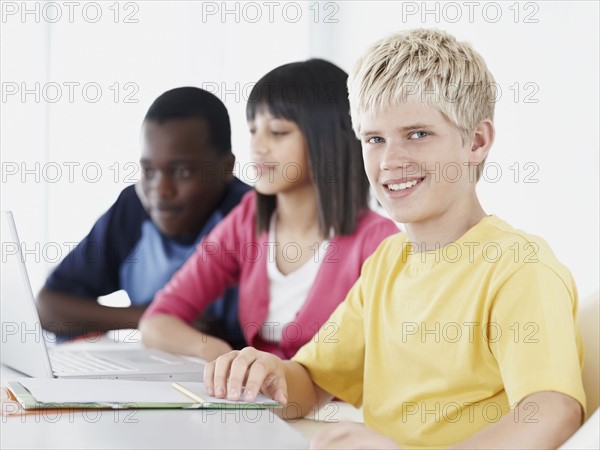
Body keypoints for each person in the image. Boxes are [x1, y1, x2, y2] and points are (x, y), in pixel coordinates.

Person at [204, 29, 586, 449]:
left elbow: (552, 410)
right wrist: (269, 372)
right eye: (375, 139)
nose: (390, 161)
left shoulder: (519, 267)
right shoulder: (388, 261)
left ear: (476, 141)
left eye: (418, 134)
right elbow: (311, 382)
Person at [139, 59, 399, 362]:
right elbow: (157, 321)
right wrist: (219, 353)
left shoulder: (379, 243)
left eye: (277, 132)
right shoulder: (248, 220)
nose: (257, 147)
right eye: (252, 130)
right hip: (257, 404)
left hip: (336, 410)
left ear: (327, 140)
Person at [37, 87, 251, 349]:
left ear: (225, 168)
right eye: (149, 171)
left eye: (182, 172)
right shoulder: (133, 210)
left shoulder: (252, 218)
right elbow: (49, 307)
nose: (161, 191)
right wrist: (156, 317)